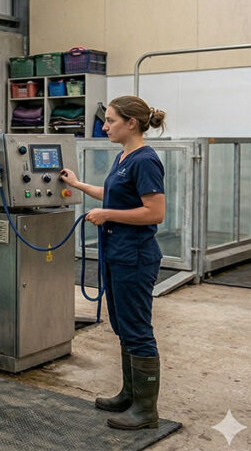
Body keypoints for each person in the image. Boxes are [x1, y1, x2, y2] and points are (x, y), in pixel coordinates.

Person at [59, 95, 167, 430]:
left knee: (137, 330)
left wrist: (107, 215)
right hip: (116, 252)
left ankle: (146, 411)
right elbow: (114, 194)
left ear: (131, 123)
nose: (104, 126)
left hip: (134, 255)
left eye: (110, 121)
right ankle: (130, 395)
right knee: (122, 327)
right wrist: (77, 185)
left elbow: (155, 213)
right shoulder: (124, 156)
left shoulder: (145, 160)